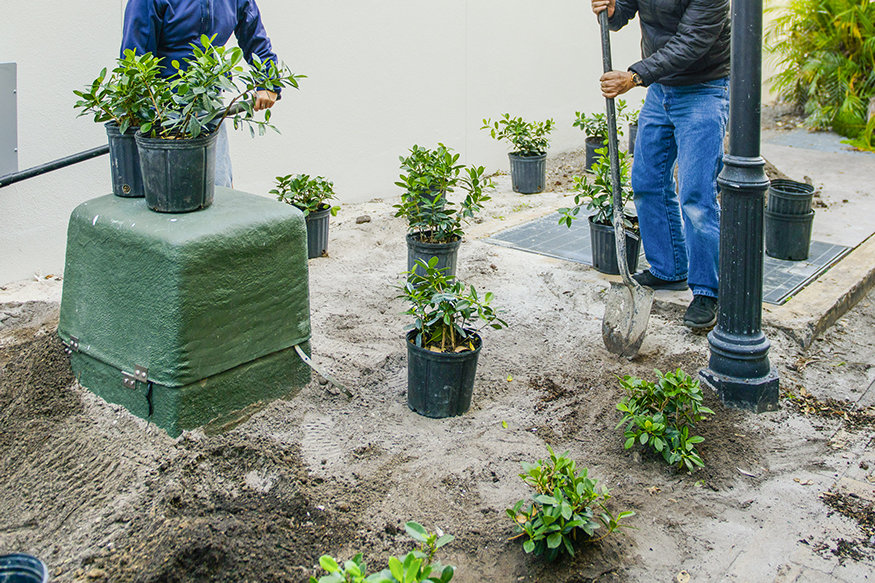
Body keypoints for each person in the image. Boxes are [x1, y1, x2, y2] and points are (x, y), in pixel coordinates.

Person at [591, 0, 731, 331]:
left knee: (696, 195)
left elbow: (692, 42)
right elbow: (623, 10)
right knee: (647, 181)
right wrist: (611, 11)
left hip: (704, 88)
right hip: (661, 90)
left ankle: (707, 291)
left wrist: (635, 76)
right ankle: (669, 269)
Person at [121, 0, 282, 187]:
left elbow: (254, 37)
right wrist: (142, 112)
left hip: (209, 105)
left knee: (218, 186)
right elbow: (135, 56)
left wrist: (268, 81)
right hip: (163, 108)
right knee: (167, 189)